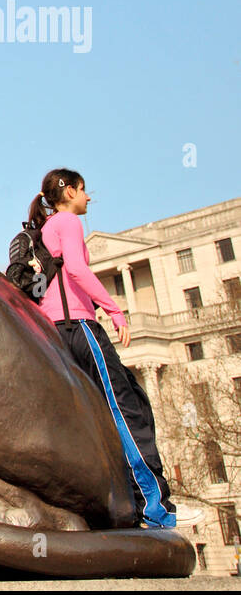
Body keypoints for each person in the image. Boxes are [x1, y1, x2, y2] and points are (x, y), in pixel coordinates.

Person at [29, 168, 201, 528]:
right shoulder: (67, 222)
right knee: (127, 410)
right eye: (85, 191)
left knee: (99, 415)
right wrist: (114, 309)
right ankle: (156, 509)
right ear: (71, 191)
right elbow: (75, 268)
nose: (89, 198)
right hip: (78, 325)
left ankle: (118, 507)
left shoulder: (45, 228)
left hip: (55, 330)